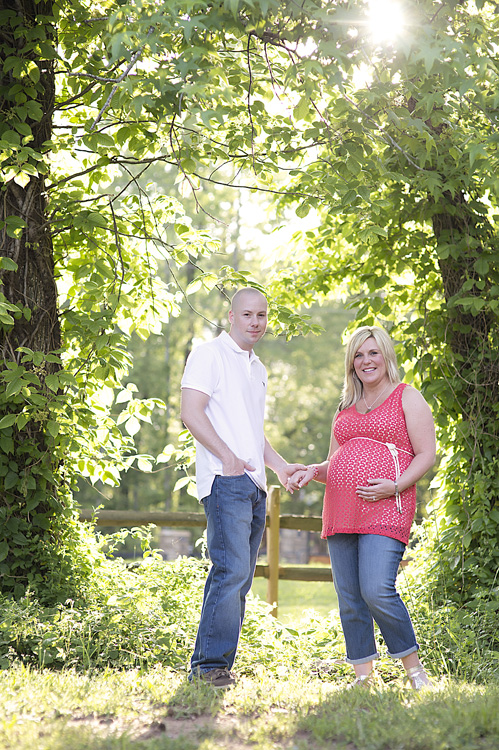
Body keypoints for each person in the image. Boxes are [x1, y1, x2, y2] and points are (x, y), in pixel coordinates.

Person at [288, 326, 436, 690]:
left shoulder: (406, 397)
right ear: (351, 363)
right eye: (358, 355)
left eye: (373, 353)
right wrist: (311, 472)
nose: (366, 361)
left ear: (386, 357)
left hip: (387, 504)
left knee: (376, 588)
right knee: (350, 597)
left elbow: (427, 454)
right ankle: (364, 678)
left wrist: (396, 485)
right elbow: (333, 464)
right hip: (341, 510)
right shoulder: (345, 409)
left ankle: (415, 672)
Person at [181, 287, 305, 688]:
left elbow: (254, 432)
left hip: (254, 485)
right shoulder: (208, 354)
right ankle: (207, 668)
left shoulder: (258, 367)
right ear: (231, 316)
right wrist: (228, 458)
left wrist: (281, 468)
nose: (256, 322)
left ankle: (217, 666)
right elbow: (190, 413)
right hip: (225, 480)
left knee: (240, 578)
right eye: (248, 315)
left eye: (262, 316)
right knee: (230, 571)